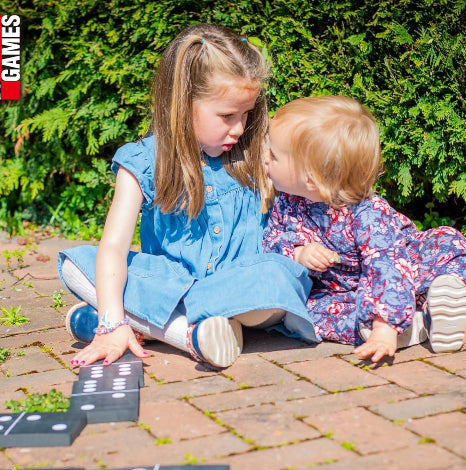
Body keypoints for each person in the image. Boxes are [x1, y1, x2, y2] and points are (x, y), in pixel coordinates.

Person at [58, 24, 317, 369]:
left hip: (243, 289)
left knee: (276, 275)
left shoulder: (254, 152)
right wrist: (111, 321)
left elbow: (311, 191)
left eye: (246, 114)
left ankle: (149, 323)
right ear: (182, 104)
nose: (239, 128)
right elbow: (114, 248)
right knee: (80, 263)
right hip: (172, 286)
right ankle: (185, 334)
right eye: (227, 115)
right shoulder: (143, 162)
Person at [262, 95, 466, 363]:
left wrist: (384, 325)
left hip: (405, 270)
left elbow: (386, 267)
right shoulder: (289, 203)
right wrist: (297, 253)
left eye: (275, 155)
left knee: (446, 246)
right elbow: (271, 241)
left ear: (311, 179)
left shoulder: (368, 214)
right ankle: (413, 325)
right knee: (305, 315)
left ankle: (433, 303)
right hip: (345, 292)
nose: (266, 158)